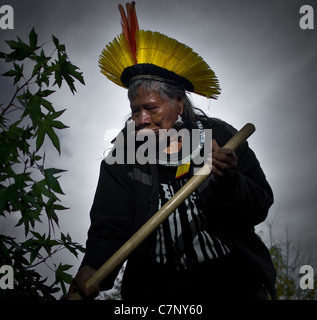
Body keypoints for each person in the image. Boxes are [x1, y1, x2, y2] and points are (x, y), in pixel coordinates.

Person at [67, 2, 276, 300]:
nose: (142, 119)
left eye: (151, 108)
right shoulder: (121, 158)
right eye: (135, 110)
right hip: (157, 292)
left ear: (178, 101)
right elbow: (109, 226)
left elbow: (261, 205)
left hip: (234, 283)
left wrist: (229, 182)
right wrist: (92, 267)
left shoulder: (220, 135)